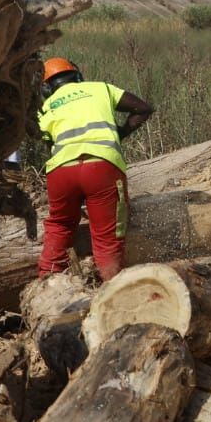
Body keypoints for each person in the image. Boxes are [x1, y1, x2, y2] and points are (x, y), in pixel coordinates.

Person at [35, 57, 154, 281]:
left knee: (59, 226)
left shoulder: (44, 108)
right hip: (102, 168)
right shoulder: (100, 88)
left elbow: (49, 145)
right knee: (108, 238)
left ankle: (48, 285)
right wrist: (119, 134)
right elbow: (143, 108)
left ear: (46, 87)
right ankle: (113, 290)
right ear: (77, 76)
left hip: (61, 172)